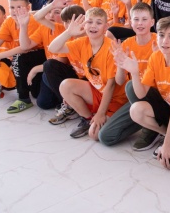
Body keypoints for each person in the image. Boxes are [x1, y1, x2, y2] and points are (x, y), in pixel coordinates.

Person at [117, 17, 170, 169]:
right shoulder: (156, 56)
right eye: (161, 35)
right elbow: (141, 94)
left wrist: (168, 145)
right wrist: (134, 72)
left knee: (168, 162)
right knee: (136, 110)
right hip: (168, 108)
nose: (165, 41)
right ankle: (165, 134)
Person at [49, 8, 129, 140]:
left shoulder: (111, 47)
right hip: (97, 92)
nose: (93, 26)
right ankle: (88, 119)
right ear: (84, 25)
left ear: (106, 27)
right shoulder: (82, 42)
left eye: (99, 22)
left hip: (115, 98)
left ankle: (113, 117)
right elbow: (53, 48)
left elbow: (111, 85)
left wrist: (101, 114)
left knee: (95, 135)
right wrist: (68, 32)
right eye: (90, 22)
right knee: (65, 85)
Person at [0, 0, 46, 113]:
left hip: (40, 55)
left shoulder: (33, 20)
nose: (15, 11)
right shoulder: (9, 21)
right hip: (24, 58)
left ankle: (24, 99)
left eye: (19, 7)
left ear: (28, 8)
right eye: (12, 7)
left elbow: (25, 48)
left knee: (19, 56)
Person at [110, 2, 158, 148]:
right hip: (136, 97)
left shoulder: (160, 41)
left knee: (131, 86)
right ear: (130, 22)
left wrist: (159, 58)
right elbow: (119, 81)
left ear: (152, 22)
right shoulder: (127, 44)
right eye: (136, 19)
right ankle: (143, 120)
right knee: (106, 137)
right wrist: (120, 64)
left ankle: (151, 129)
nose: (140, 23)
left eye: (144, 19)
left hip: (157, 95)